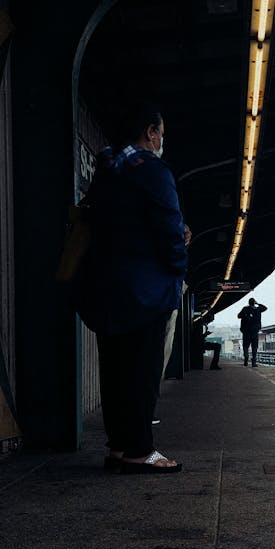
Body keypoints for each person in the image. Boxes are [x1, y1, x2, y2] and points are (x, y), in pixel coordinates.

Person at [74, 105, 187, 473]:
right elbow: (170, 227)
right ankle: (140, 450)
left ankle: (120, 448)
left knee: (116, 372)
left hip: (107, 291)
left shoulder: (106, 171)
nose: (162, 141)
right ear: (151, 133)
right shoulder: (152, 171)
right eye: (162, 133)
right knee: (142, 372)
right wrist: (179, 261)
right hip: (145, 293)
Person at [238, 298, 267, 367]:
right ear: (254, 303)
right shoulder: (258, 309)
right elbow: (265, 308)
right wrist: (258, 303)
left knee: (245, 346)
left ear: (248, 303)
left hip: (246, 332)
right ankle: (253, 362)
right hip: (255, 332)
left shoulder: (245, 309)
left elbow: (238, 316)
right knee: (254, 347)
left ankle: (246, 358)